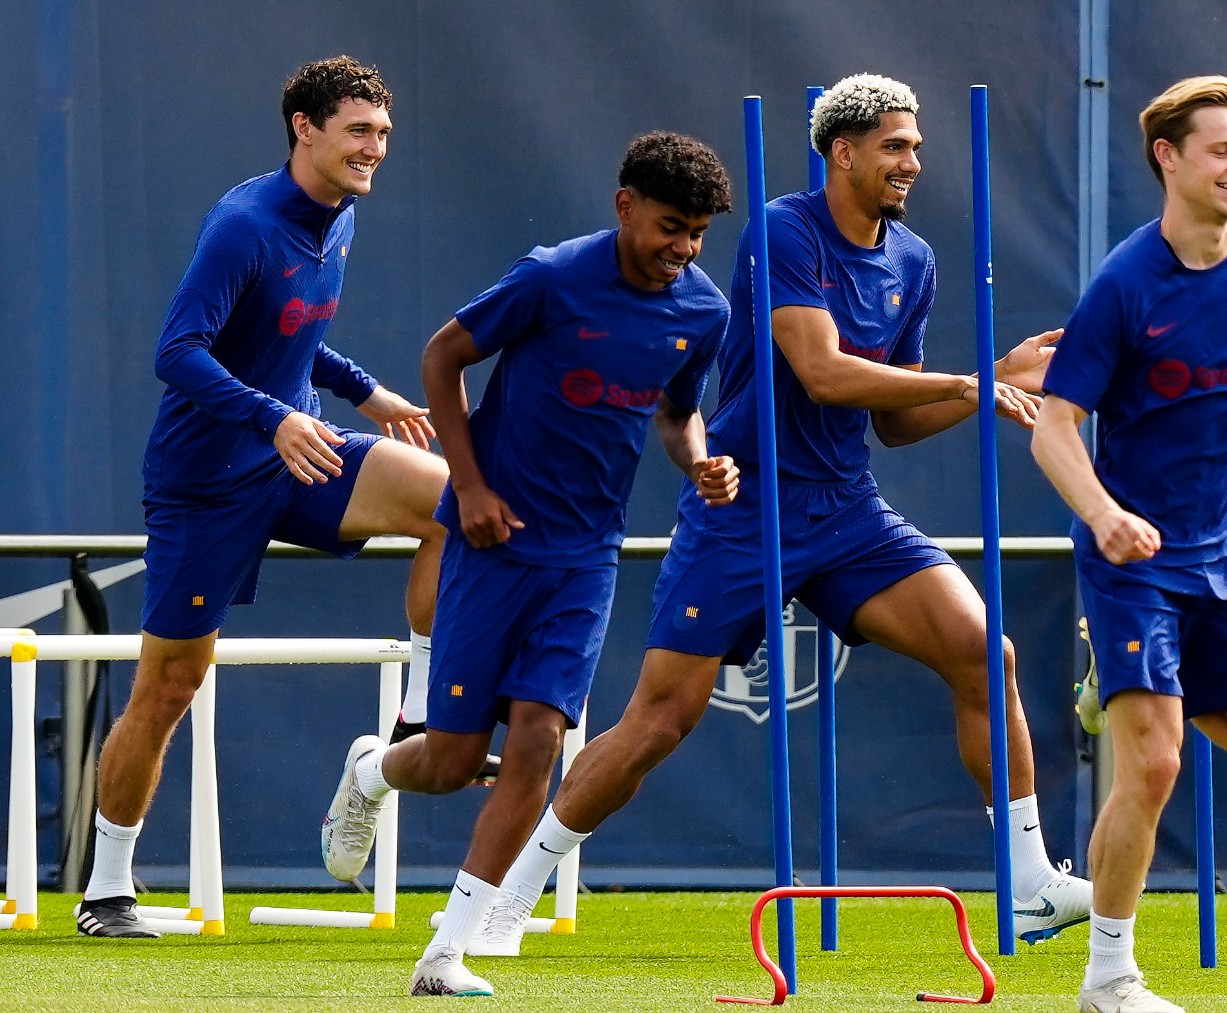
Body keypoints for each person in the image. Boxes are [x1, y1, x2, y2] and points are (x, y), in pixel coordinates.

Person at [465, 72, 1091, 958]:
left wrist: (994, 375)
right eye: (896, 146)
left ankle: (1028, 884)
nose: (915, 160)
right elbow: (822, 370)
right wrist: (972, 381)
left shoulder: (914, 260)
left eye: (916, 145)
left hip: (847, 508)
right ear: (843, 151)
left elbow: (896, 421)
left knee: (986, 650)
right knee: (660, 718)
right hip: (745, 503)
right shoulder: (785, 229)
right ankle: (511, 895)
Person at [318, 132, 738, 996]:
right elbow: (443, 357)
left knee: (540, 739)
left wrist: (698, 459)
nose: (683, 249)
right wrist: (467, 488)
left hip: (586, 558)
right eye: (669, 226)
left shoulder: (704, 312)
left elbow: (676, 413)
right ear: (624, 205)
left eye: (697, 232)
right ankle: (369, 771)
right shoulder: (551, 276)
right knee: (447, 762)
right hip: (491, 544)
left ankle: (447, 953)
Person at [75, 55, 450, 939]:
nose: (374, 150)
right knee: (168, 685)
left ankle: (413, 721)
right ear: (305, 128)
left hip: (300, 451)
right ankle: (107, 890)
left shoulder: (342, 213)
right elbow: (180, 350)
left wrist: (369, 393)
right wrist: (271, 418)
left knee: (457, 502)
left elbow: (291, 329)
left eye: (384, 135)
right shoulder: (244, 223)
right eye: (359, 131)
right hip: (205, 483)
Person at [1032, 75, 1227, 1013]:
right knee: (1155, 763)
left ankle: (1122, 690)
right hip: (1133, 562)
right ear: (1170, 159)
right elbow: (1055, 424)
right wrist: (1103, 514)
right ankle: (1110, 978)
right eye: (1222, 149)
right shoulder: (1126, 282)